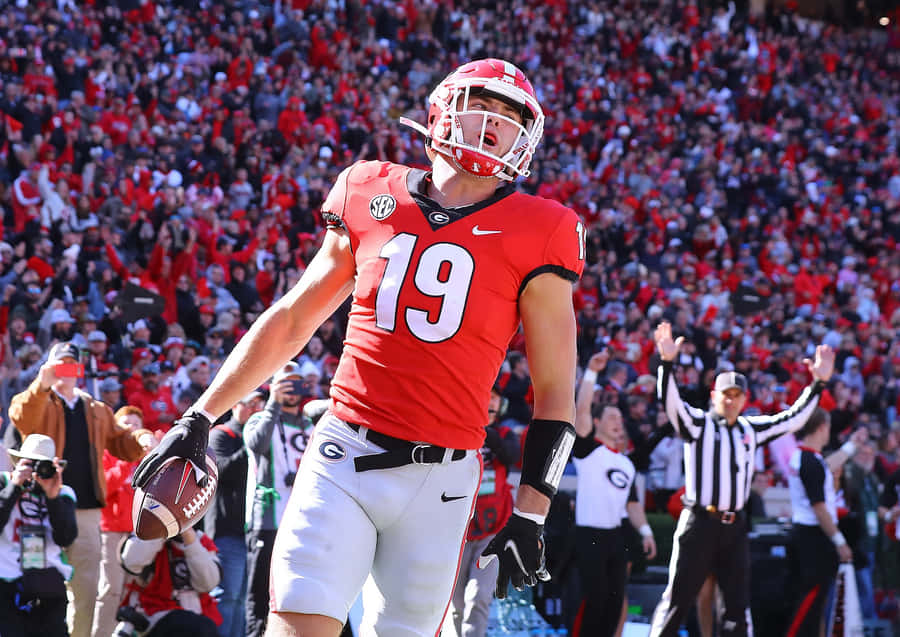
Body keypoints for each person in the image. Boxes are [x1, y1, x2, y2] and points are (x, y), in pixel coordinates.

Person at [134, 58, 583, 637]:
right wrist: (203, 414)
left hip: (442, 480)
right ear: (440, 112)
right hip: (343, 451)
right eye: (486, 106)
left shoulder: (542, 226)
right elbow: (295, 316)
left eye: (510, 116)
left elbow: (554, 394)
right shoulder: (369, 187)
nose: (496, 124)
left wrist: (532, 510)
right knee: (297, 624)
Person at [648, 322, 834, 637]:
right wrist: (666, 365)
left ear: (744, 399)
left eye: (737, 395)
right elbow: (672, 405)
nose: (731, 401)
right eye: (726, 395)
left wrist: (817, 384)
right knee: (678, 600)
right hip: (699, 521)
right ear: (714, 395)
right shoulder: (699, 424)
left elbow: (792, 419)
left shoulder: (750, 429)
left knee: (736, 605)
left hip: (734, 526)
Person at [9, 342, 156, 637]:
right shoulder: (40, 399)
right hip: (41, 505)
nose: (66, 370)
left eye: (71, 364)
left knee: (87, 586)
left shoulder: (96, 409)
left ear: (80, 371)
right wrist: (41, 383)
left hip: (86, 510)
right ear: (48, 367)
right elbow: (21, 417)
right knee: (34, 579)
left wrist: (142, 438)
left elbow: (122, 442)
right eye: (59, 364)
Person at [571, 351, 656, 637]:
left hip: (616, 536)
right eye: (611, 415)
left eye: (620, 416)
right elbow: (581, 411)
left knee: (614, 602)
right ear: (597, 423)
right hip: (589, 534)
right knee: (594, 602)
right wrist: (591, 374)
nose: (618, 420)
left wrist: (645, 531)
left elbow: (631, 503)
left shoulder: (626, 463)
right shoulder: (588, 451)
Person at [242, 362, 313, 637]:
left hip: (301, 521)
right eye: (285, 383)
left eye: (296, 383)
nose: (291, 390)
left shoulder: (309, 424)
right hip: (268, 519)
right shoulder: (260, 419)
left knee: (296, 591)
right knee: (260, 594)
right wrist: (273, 402)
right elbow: (256, 444)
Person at [445, 384, 520, 637]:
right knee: (454, 602)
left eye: (495, 399)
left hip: (493, 529)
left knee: (478, 596)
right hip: (459, 528)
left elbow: (511, 454)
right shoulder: (456, 429)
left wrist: (485, 427)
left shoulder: (505, 433)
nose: (491, 402)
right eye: (486, 396)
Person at [785, 411, 863, 636]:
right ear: (821, 427)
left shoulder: (804, 457)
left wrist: (850, 447)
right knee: (808, 606)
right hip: (813, 540)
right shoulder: (810, 462)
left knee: (814, 606)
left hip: (805, 535)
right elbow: (819, 508)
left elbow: (824, 467)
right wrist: (839, 541)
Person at [0, 434, 77, 637]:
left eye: (41, 465)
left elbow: (66, 537)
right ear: (18, 462)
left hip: (47, 583)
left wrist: (52, 497)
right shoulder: (3, 482)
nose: (36, 472)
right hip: (6, 579)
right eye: (30, 464)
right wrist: (14, 487)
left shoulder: (63, 493)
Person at [92, 406, 156, 637]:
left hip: (141, 533)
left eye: (136, 424)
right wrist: (124, 464)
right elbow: (103, 488)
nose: (131, 428)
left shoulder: (149, 456)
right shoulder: (107, 453)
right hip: (112, 532)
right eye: (125, 424)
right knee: (110, 590)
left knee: (136, 591)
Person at [207, 390, 262, 637]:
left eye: (257, 404)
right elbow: (222, 470)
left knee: (243, 599)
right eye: (248, 403)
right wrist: (251, 447)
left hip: (253, 528)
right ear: (235, 405)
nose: (252, 409)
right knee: (227, 596)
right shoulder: (220, 434)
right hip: (226, 528)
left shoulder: (260, 436)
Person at [118, 525, 221, 637]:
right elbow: (132, 563)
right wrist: (162, 528)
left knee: (204, 627)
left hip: (193, 616)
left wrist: (190, 541)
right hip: (153, 616)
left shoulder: (200, 539)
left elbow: (208, 584)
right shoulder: (144, 532)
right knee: (193, 626)